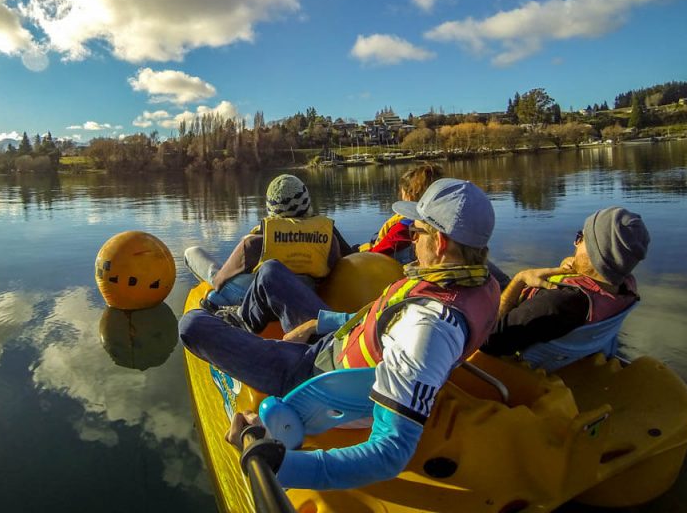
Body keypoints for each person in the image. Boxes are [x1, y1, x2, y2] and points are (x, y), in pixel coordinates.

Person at [179, 178, 500, 490]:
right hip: (339, 345)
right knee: (272, 271)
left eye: (416, 232)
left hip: (316, 378)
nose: (412, 240)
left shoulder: (427, 328)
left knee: (192, 325)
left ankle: (240, 328)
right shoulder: (480, 284)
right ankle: (251, 323)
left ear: (440, 243)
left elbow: (390, 453)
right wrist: (320, 322)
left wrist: (280, 465)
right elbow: (385, 320)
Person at [481, 206, 649, 358]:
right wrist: (577, 266)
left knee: (474, 261)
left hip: (509, 318)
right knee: (484, 264)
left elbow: (489, 342)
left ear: (594, 255)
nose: (575, 244)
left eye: (581, 238)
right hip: (533, 312)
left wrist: (520, 279)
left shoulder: (557, 304)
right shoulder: (624, 286)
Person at [185, 174, 350, 308]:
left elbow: (221, 280)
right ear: (307, 202)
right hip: (307, 293)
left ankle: (220, 305)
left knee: (193, 254)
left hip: (259, 298)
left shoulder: (255, 243)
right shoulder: (329, 238)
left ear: (271, 209)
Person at [354, 162, 444, 260]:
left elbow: (373, 256)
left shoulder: (402, 229)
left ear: (408, 196)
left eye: (402, 193)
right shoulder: (447, 223)